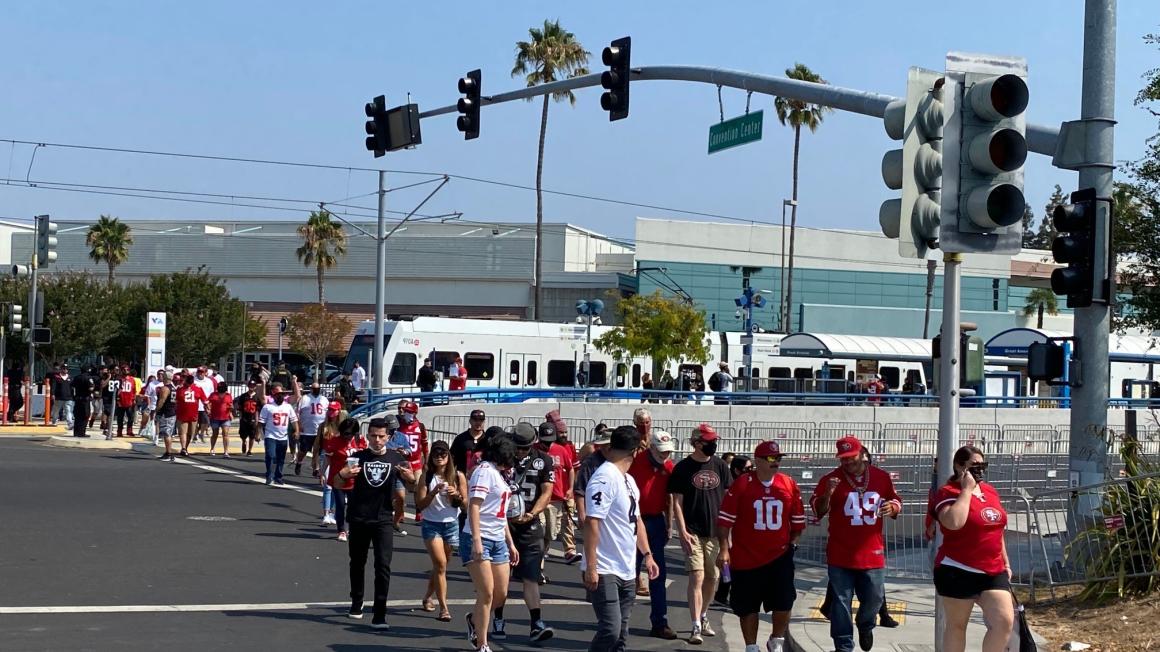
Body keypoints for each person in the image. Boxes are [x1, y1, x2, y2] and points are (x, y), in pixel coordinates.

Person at [810, 436, 902, 652]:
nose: (848, 462)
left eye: (851, 457)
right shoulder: (829, 479)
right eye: (843, 459)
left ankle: (865, 623)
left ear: (862, 454)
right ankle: (843, 646)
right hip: (840, 553)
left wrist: (893, 507)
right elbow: (818, 511)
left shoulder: (881, 477)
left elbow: (895, 499)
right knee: (841, 602)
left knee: (875, 597)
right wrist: (828, 494)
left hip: (872, 553)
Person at [717, 441, 805, 652]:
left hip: (779, 555)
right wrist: (724, 549)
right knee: (747, 606)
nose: (777, 463)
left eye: (779, 458)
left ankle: (776, 639)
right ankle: (751, 646)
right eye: (772, 458)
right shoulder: (743, 484)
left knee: (784, 602)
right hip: (746, 556)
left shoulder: (788, 483)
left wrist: (792, 544)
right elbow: (724, 521)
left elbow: (798, 522)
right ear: (758, 461)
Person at [582, 425, 660, 652]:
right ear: (635, 451)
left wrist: (647, 555)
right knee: (610, 629)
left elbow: (636, 520)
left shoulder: (628, 481)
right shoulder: (604, 478)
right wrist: (592, 566)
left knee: (622, 634)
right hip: (605, 567)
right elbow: (592, 522)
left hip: (626, 566)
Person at [334, 416, 415, 630]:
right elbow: (336, 482)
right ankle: (357, 602)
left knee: (383, 565)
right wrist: (343, 474)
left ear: (388, 437)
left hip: (383, 519)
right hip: (359, 517)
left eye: (381, 436)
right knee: (357, 562)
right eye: (373, 436)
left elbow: (414, 485)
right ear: (367, 436)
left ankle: (380, 613)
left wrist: (410, 478)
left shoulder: (396, 458)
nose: (377, 440)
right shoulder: (357, 457)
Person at [932, 445, 1013, 652]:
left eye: (982, 465)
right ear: (960, 466)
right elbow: (954, 522)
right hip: (958, 568)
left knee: (1004, 621)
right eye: (974, 466)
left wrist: (1006, 562)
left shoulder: (990, 491)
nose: (980, 470)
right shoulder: (947, 492)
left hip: (993, 570)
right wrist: (967, 489)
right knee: (957, 627)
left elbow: (998, 528)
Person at [668, 423, 732, 644]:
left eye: (715, 441)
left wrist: (727, 533)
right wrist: (682, 529)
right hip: (693, 531)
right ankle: (695, 624)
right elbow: (676, 501)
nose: (713, 445)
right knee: (697, 576)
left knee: (712, 578)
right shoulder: (683, 468)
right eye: (709, 441)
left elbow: (727, 499)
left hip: (715, 532)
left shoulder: (721, 466)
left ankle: (704, 615)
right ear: (697, 443)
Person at [492, 423, 556, 642]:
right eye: (518, 447)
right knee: (502, 578)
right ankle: (498, 618)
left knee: (531, 576)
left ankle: (536, 622)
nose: (520, 452)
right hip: (503, 524)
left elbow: (547, 491)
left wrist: (532, 514)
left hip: (529, 523)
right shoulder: (501, 458)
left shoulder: (544, 460)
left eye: (525, 448)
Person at [463, 435, 520, 652]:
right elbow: (474, 506)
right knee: (486, 593)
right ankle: (482, 643)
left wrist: (510, 542)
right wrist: (477, 540)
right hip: (480, 537)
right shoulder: (484, 471)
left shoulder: (497, 473)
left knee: (501, 594)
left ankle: (475, 619)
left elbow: (500, 513)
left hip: (498, 538)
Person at [627, 428, 677, 640]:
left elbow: (670, 497)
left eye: (667, 452)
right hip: (634, 521)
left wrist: (670, 523)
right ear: (652, 448)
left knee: (658, 573)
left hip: (656, 521)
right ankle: (620, 620)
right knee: (629, 572)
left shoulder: (668, 467)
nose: (665, 456)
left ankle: (660, 622)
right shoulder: (636, 462)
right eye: (661, 452)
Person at [416, 440, 465, 623]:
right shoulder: (426, 477)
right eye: (436, 455)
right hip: (431, 524)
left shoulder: (458, 476)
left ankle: (428, 596)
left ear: (449, 457)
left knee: (440, 567)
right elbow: (420, 505)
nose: (439, 458)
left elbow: (466, 504)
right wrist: (433, 492)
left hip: (451, 523)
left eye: (443, 454)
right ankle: (444, 608)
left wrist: (456, 495)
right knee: (441, 564)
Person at [537, 420, 582, 568]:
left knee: (552, 531)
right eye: (544, 441)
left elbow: (570, 468)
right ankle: (539, 563)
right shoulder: (534, 450)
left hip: (557, 497)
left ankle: (548, 553)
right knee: (540, 529)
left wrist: (570, 488)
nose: (547, 445)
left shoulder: (561, 450)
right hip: (539, 497)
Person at [715, 454, 754, 606]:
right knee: (732, 565)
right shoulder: (732, 487)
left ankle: (723, 593)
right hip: (731, 531)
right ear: (737, 471)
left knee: (733, 566)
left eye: (752, 468)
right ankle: (726, 594)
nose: (751, 471)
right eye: (747, 469)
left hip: (744, 531)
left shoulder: (748, 484)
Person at [326, 417, 367, 541]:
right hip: (338, 477)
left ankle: (351, 527)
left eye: (349, 433)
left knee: (354, 506)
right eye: (344, 433)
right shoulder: (334, 441)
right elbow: (327, 458)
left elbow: (365, 456)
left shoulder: (360, 441)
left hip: (355, 479)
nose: (346, 436)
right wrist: (323, 472)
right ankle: (341, 530)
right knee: (340, 505)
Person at [311, 399, 346, 526]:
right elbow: (317, 444)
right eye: (329, 410)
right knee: (327, 486)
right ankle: (326, 514)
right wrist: (315, 462)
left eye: (333, 410)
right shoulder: (323, 426)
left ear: (338, 411)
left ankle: (332, 512)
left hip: (339, 456)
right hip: (325, 455)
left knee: (337, 485)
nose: (331, 412)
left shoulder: (343, 426)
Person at [258, 386, 298, 486]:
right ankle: (269, 475)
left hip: (283, 436)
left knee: (281, 458)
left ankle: (278, 476)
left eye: (282, 394)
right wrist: (258, 433)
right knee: (271, 456)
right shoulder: (268, 407)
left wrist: (297, 430)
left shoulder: (288, 406)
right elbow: (261, 422)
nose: (280, 396)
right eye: (278, 395)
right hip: (270, 435)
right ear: (274, 396)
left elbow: (294, 420)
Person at [573, 426, 612, 522]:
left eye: (610, 446)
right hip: (594, 511)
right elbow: (580, 490)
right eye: (605, 445)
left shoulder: (619, 461)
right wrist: (582, 514)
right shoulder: (590, 462)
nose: (608, 449)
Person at [295, 382, 329, 475]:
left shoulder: (324, 399)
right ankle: (299, 462)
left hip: (320, 429)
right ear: (311, 389)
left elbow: (327, 414)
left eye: (318, 388)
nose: (316, 390)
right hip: (307, 430)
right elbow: (297, 413)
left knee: (317, 450)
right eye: (314, 388)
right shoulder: (304, 399)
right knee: (304, 450)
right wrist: (299, 425)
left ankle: (316, 469)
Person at [174, 372, 207, 456]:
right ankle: (183, 448)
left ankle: (185, 448)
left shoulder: (198, 388)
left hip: (193, 414)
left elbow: (205, 400)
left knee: (190, 433)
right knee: (183, 432)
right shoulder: (180, 389)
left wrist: (208, 409)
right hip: (182, 413)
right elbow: (175, 400)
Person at [451, 408, 488, 476]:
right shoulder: (460, 438)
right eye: (475, 420)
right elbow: (452, 459)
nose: (478, 423)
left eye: (481, 420)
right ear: (470, 421)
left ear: (484, 422)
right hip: (462, 478)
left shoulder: (488, 440)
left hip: (482, 478)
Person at [153, 370, 177, 460]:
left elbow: (162, 401)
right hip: (172, 412)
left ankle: (168, 452)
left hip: (166, 413)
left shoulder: (165, 388)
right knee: (169, 433)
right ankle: (168, 451)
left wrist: (157, 410)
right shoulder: (173, 388)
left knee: (166, 433)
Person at [233, 381, 261, 457]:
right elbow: (240, 408)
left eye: (253, 385)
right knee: (243, 434)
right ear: (248, 386)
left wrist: (256, 419)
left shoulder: (257, 397)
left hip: (252, 418)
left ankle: (250, 450)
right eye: (250, 385)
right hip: (244, 417)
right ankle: (244, 442)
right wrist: (240, 417)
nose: (252, 387)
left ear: (255, 386)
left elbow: (257, 410)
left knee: (252, 435)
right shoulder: (243, 396)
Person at [206, 381, 233, 457]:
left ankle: (226, 451)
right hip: (215, 417)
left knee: (225, 434)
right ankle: (212, 448)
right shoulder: (213, 395)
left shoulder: (228, 395)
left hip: (225, 417)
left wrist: (231, 412)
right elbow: (207, 402)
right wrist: (208, 409)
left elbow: (231, 404)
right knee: (215, 434)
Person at [192, 367, 215, 444]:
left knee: (205, 422)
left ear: (205, 372)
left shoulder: (209, 381)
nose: (200, 373)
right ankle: (195, 435)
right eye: (199, 372)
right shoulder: (193, 380)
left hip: (205, 404)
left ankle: (201, 434)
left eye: (202, 372)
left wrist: (210, 404)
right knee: (195, 422)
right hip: (195, 404)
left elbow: (211, 392)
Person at [70, 366, 95, 438]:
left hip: (77, 399)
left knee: (77, 416)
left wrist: (73, 396)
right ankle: (82, 432)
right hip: (85, 399)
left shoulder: (76, 377)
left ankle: (76, 432)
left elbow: (71, 386)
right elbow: (91, 388)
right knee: (85, 416)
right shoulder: (88, 378)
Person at [50, 364, 74, 429]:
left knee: (68, 411)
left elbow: (72, 388)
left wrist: (73, 396)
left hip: (68, 397)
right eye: (63, 368)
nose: (65, 370)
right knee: (56, 410)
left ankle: (70, 423)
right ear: (61, 369)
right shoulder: (56, 377)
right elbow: (53, 386)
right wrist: (52, 394)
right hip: (59, 397)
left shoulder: (70, 377)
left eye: (66, 369)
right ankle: (54, 421)